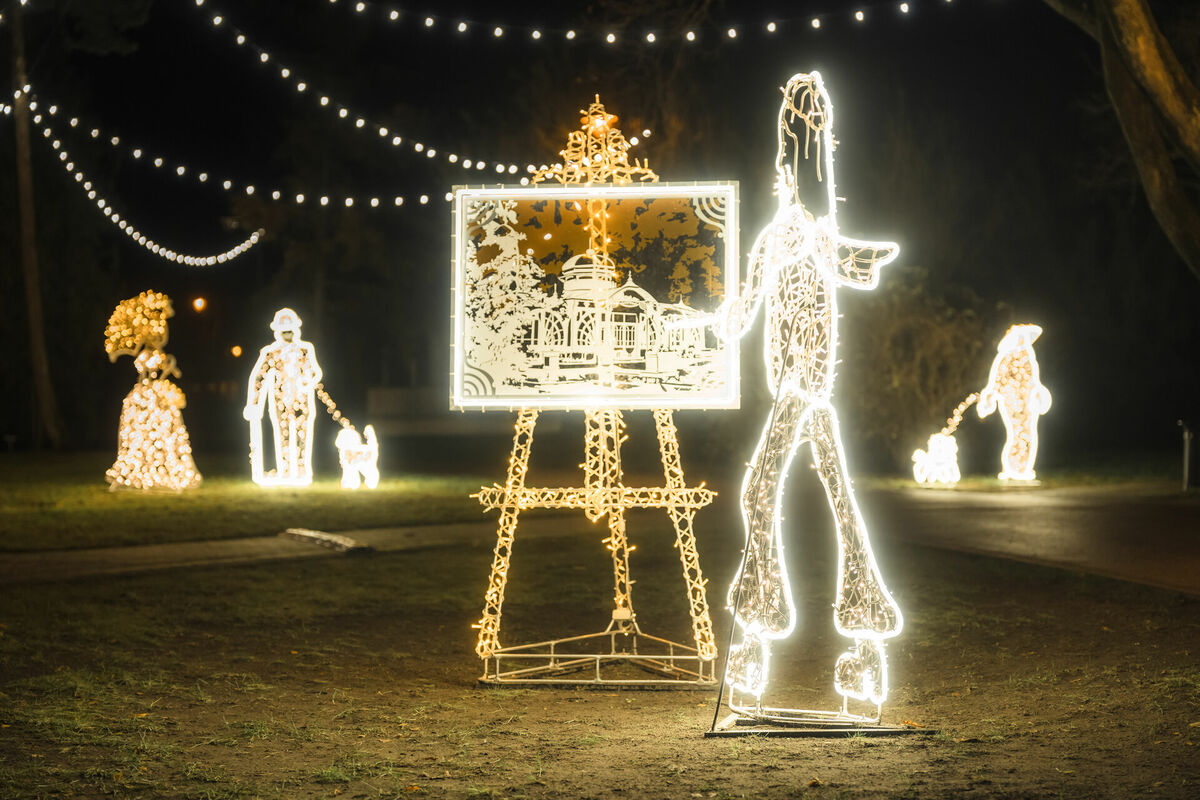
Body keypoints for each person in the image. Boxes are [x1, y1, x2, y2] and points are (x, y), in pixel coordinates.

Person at [705, 72, 903, 710]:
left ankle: (763, 626)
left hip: (806, 386)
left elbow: (848, 265)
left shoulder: (813, 236)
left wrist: (808, 123)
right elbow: (740, 314)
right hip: (798, 388)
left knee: (761, 491)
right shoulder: (777, 238)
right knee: (834, 500)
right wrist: (699, 316)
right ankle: (856, 637)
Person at [104, 291, 202, 491]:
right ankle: (140, 470)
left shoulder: (160, 355)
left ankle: (166, 470)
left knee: (166, 432)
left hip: (157, 394)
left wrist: (168, 365)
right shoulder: (146, 357)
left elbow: (168, 368)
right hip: (146, 395)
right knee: (142, 431)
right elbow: (146, 370)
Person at [244, 308, 323, 486]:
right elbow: (259, 377)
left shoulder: (305, 349)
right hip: (280, 401)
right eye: (284, 330)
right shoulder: (271, 352)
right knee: (283, 437)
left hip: (302, 400)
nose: (287, 334)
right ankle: (286, 471)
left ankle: (302, 472)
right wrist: (253, 403)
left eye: (290, 330)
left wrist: (307, 382)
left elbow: (316, 372)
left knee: (302, 436)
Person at [978, 324, 1052, 481]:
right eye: (1020, 337)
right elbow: (997, 382)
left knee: (1028, 434)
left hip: (1028, 403)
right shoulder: (1006, 358)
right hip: (1012, 403)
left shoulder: (1029, 358)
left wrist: (1038, 394)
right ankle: (1012, 467)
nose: (1023, 340)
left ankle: (1023, 468)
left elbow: (1034, 380)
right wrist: (991, 396)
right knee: (1015, 434)